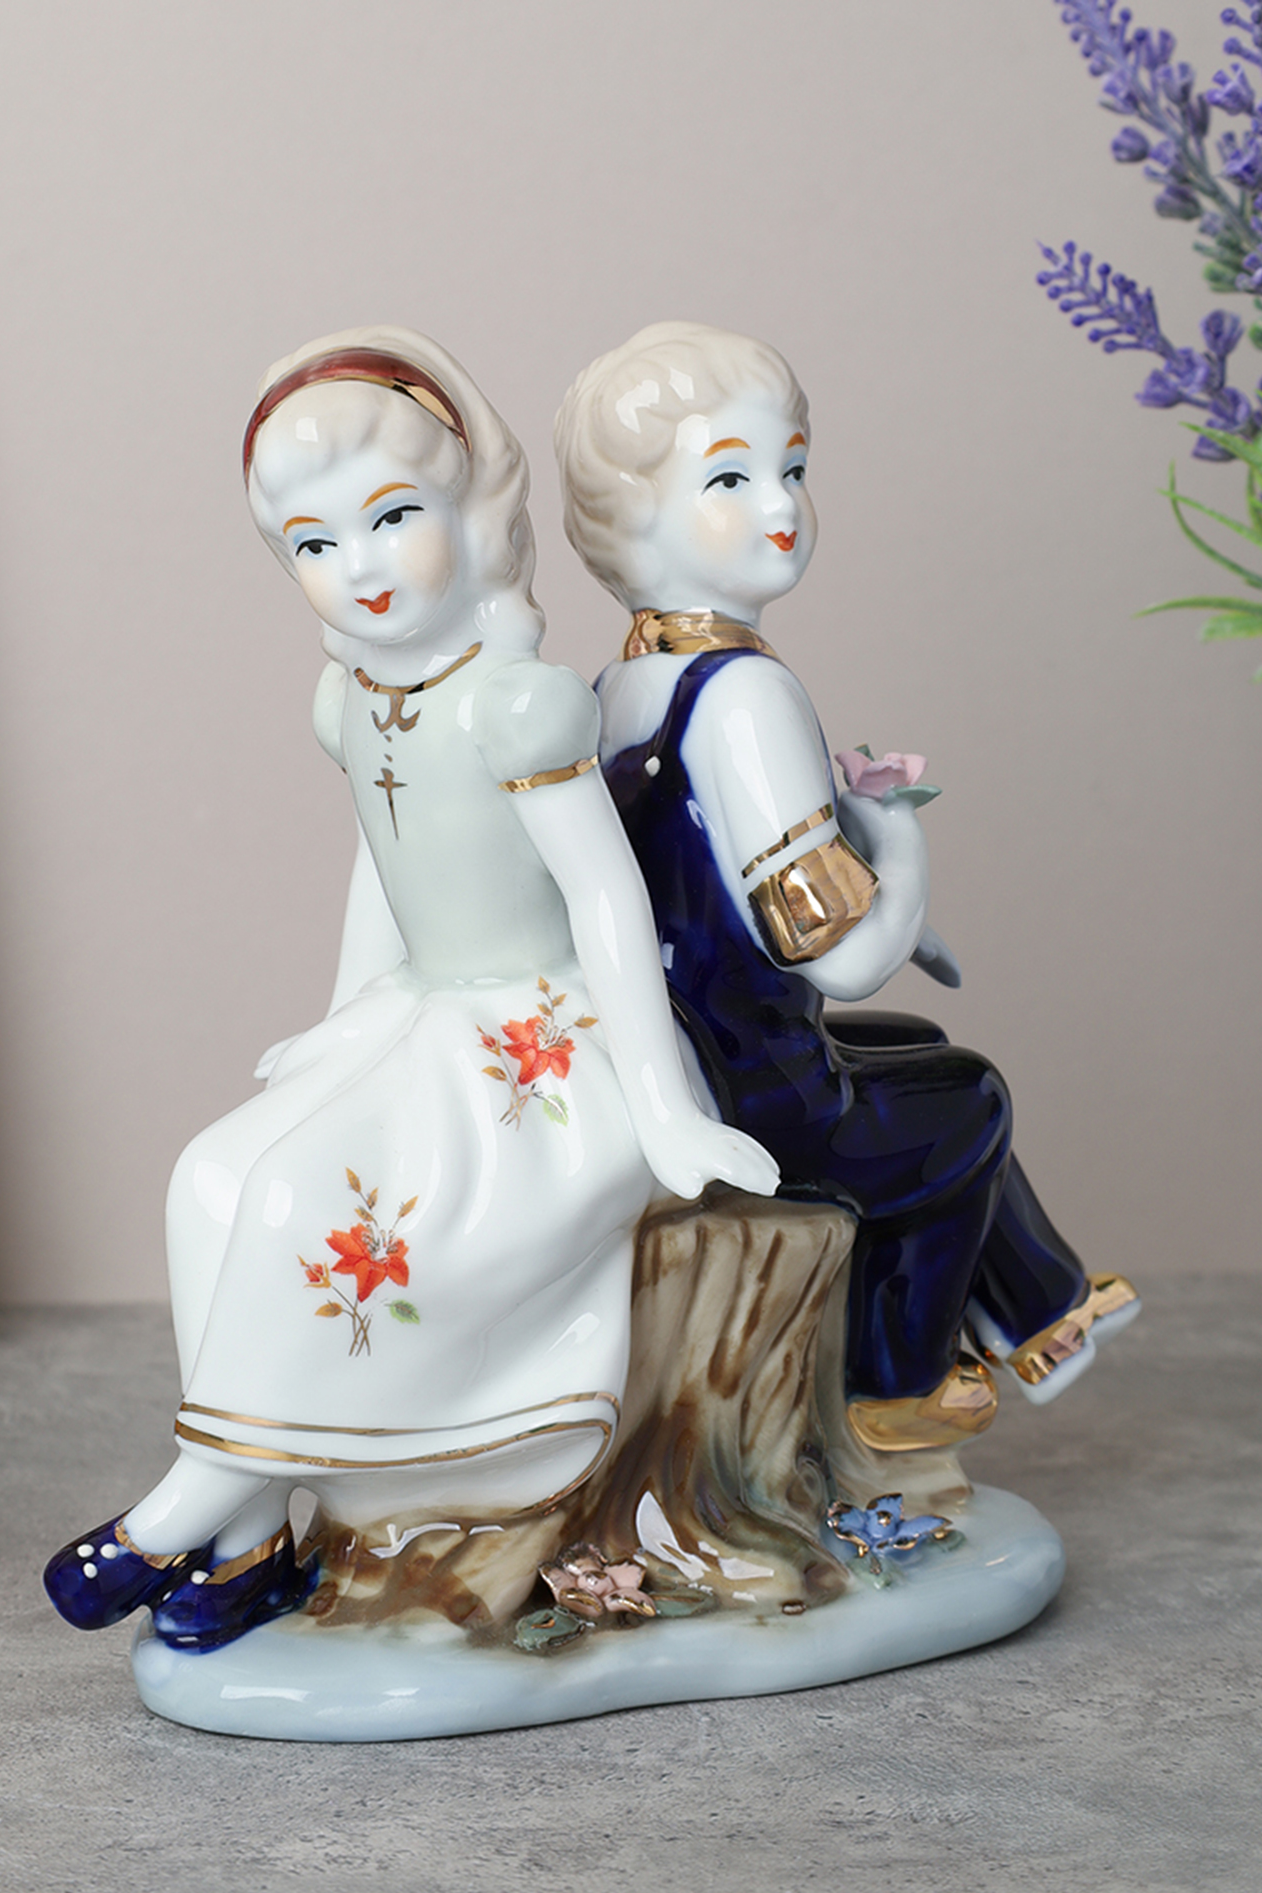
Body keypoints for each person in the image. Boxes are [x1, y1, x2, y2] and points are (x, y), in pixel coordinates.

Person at [44, 328, 776, 1652]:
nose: (361, 565)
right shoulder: (353, 699)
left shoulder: (519, 705)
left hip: (546, 1047)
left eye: (392, 518)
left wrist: (668, 1112)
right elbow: (382, 869)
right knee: (212, 1178)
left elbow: (606, 902)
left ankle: (186, 1506)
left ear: (472, 508)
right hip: (422, 1011)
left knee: (303, 1202)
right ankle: (249, 1538)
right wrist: (341, 1020)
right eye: (315, 543)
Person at [554, 321, 1137, 1455]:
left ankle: (1045, 1316)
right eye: (730, 477)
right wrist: (903, 843)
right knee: (970, 1097)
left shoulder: (621, 684)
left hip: (681, 1049)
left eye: (793, 467)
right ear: (631, 514)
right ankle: (900, 1377)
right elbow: (842, 957)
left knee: (915, 1045)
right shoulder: (743, 696)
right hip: (753, 1092)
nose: (781, 503)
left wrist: (911, 928)